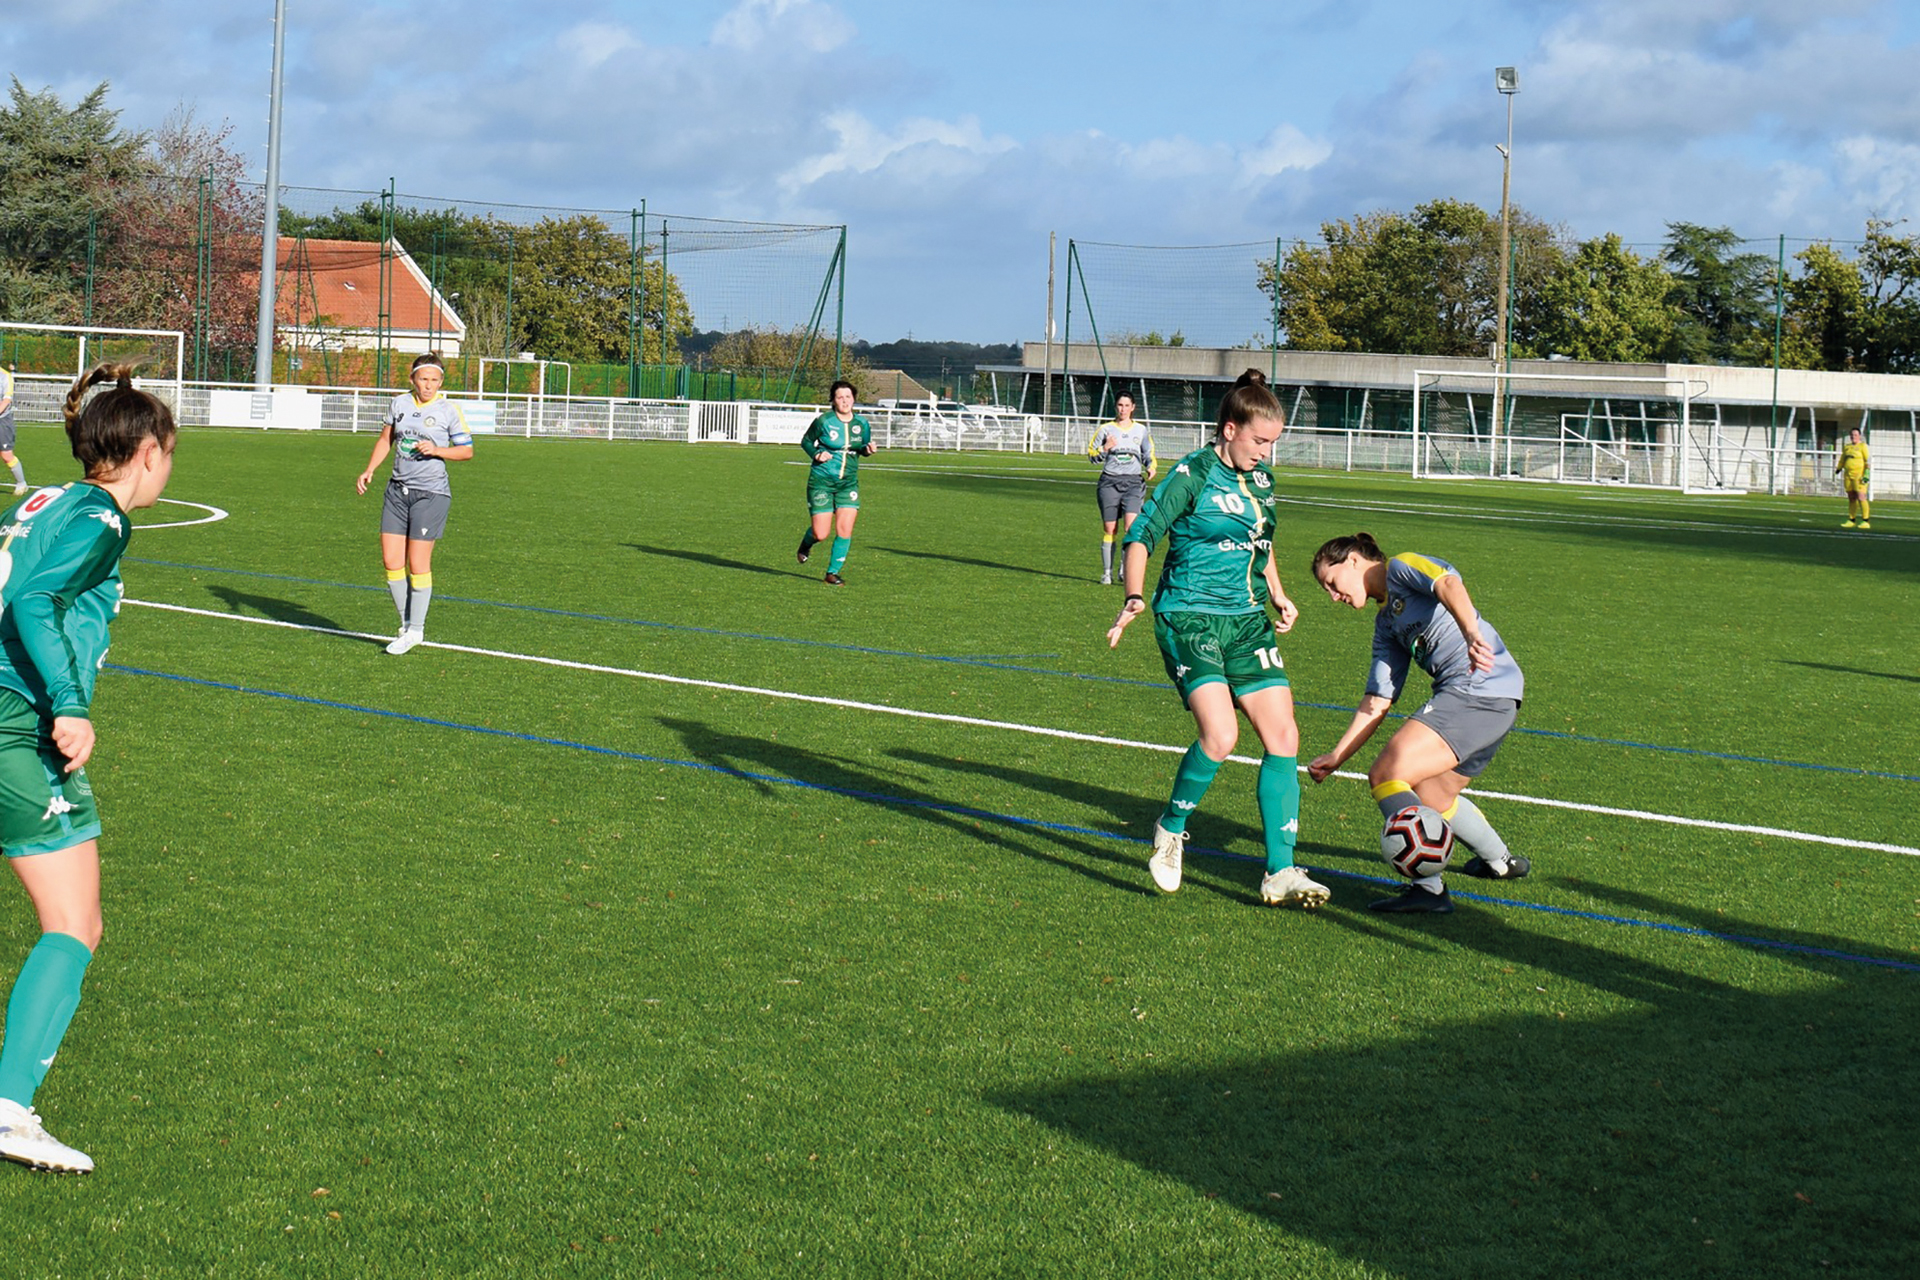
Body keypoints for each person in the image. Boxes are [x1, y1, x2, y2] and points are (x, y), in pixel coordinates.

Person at [0, 363, 177, 1173]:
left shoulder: (37, 501)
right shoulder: (103, 520)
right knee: (76, 924)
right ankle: (7, 1109)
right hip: (18, 728)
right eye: (170, 451)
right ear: (147, 450)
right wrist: (68, 703)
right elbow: (32, 602)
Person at [1106, 370, 1328, 909]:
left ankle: (1280, 871)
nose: (1266, 453)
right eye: (1259, 441)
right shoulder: (1191, 474)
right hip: (1190, 616)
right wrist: (1135, 595)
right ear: (1229, 429)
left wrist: (1277, 591)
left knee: (1284, 738)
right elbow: (1141, 536)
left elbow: (1262, 540)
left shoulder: (1263, 482)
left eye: (1274, 443)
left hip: (1247, 619)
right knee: (1222, 735)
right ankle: (1170, 829)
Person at [1305, 533, 1528, 915]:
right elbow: (1378, 699)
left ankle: (1428, 888)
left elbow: (1448, 582)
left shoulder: (1400, 567)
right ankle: (1501, 861)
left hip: (1475, 690)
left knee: (1385, 774)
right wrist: (1338, 754)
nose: (1332, 595)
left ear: (1355, 561)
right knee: (1434, 798)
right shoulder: (1386, 624)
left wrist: (1472, 630)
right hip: (1499, 697)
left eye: (1331, 582)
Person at [356, 353, 473, 654]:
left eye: (434, 380)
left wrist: (437, 450)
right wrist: (369, 469)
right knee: (392, 562)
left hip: (431, 494)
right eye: (424, 379)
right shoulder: (399, 404)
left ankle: (415, 631)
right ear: (413, 379)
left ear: (441, 382)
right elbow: (386, 440)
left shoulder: (449, 410)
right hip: (397, 491)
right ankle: (406, 623)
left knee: (418, 563)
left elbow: (466, 452)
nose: (429, 385)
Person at [794, 380, 874, 586]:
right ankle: (806, 544)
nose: (844, 401)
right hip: (822, 482)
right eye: (840, 397)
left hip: (848, 484)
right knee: (821, 533)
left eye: (848, 397)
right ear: (833, 400)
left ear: (854, 399)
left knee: (845, 529)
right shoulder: (824, 421)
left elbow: (862, 448)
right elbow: (806, 441)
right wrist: (816, 453)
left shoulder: (862, 424)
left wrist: (868, 450)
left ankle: (832, 572)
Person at [1087, 393, 1156, 584]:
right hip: (1109, 482)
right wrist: (1105, 448)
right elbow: (1092, 456)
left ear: (1133, 407)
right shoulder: (1105, 430)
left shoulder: (1141, 430)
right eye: (1120, 405)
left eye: (1127, 405)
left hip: (1133, 483)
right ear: (1115, 407)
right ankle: (1106, 573)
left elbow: (1148, 453)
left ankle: (1124, 569)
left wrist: (1150, 466)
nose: (1123, 409)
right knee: (1110, 528)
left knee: (1131, 528)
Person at [1835, 427, 1871, 529]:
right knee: (1851, 497)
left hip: (1859, 476)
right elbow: (1842, 459)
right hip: (1848, 475)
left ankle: (1866, 520)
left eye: (1855, 435)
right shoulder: (1847, 447)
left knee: (1861, 496)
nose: (1853, 437)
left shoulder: (1863, 446)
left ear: (1859, 436)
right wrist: (1839, 468)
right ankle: (1852, 519)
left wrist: (1866, 474)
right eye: (1852, 435)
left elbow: (1868, 461)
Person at [0, 363, 25, 494]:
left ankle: (21, 483)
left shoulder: (5, 376)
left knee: (6, 455)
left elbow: (6, 400)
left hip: (2, 421)